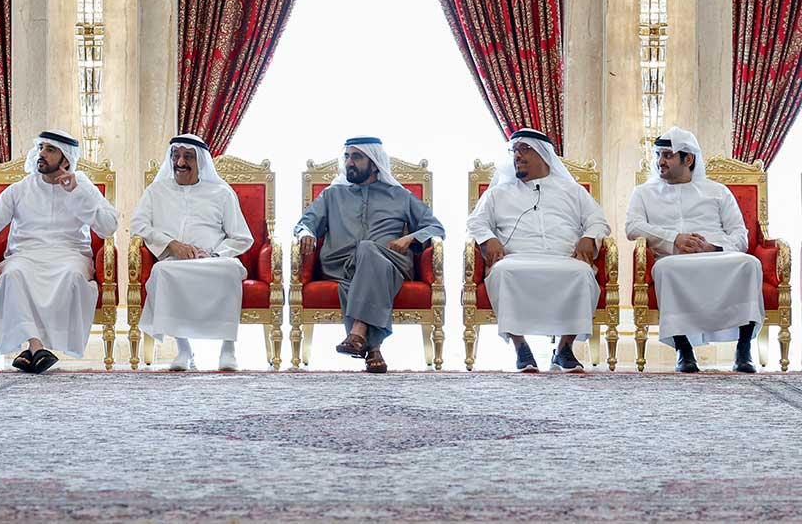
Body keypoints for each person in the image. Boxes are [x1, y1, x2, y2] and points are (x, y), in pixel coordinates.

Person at [0, 130, 118, 374]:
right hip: (26, 254)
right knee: (13, 275)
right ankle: (37, 347)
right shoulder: (22, 188)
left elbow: (108, 226)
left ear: (66, 159)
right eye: (41, 148)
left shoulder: (82, 185)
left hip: (70, 254)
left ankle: (32, 351)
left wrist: (77, 193)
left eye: (50, 150)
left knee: (72, 276)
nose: (41, 154)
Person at [293, 137, 444, 373]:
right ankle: (373, 348)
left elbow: (436, 227)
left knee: (366, 249)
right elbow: (305, 223)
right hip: (342, 265)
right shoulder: (332, 195)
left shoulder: (400, 195)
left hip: (392, 262)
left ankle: (358, 332)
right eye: (347, 157)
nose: (349, 163)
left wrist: (411, 238)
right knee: (361, 267)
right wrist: (305, 233)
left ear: (374, 163)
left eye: (356, 157)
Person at [465, 128, 610, 373]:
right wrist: (489, 238)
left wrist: (588, 237)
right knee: (503, 272)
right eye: (514, 150)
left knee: (582, 273)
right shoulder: (497, 193)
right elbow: (475, 222)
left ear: (543, 154)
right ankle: (521, 347)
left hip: (564, 257)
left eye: (525, 149)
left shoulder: (572, 191)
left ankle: (564, 348)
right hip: (515, 258)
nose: (517, 156)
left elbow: (598, 221)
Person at [626, 126, 762, 373]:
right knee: (665, 268)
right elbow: (632, 227)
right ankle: (683, 350)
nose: (660, 162)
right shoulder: (643, 193)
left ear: (688, 160)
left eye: (668, 155)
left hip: (717, 256)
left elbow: (740, 236)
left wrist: (712, 247)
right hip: (673, 258)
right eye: (658, 155)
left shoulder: (718, 191)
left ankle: (744, 350)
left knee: (750, 263)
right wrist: (674, 239)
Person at [131, 134, 252, 371]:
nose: (180, 162)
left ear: (201, 162)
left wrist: (215, 255)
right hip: (174, 261)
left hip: (213, 260)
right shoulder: (156, 191)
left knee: (231, 269)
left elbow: (241, 236)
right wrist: (172, 244)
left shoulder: (221, 193)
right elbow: (138, 225)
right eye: (176, 156)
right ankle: (184, 350)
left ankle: (228, 349)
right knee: (162, 272)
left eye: (188, 157)